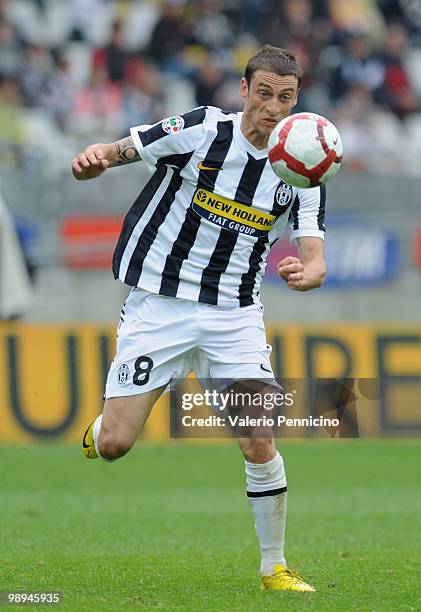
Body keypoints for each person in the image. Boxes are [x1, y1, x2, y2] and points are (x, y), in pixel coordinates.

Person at [72, 45, 326, 593]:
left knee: (259, 436)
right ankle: (100, 428)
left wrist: (311, 271)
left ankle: (275, 568)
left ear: (296, 98)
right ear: (243, 90)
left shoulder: (304, 164)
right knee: (114, 444)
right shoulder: (204, 131)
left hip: (233, 316)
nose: (273, 109)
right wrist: (96, 156)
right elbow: (126, 147)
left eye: (285, 98)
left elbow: (314, 252)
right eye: (263, 95)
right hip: (159, 305)